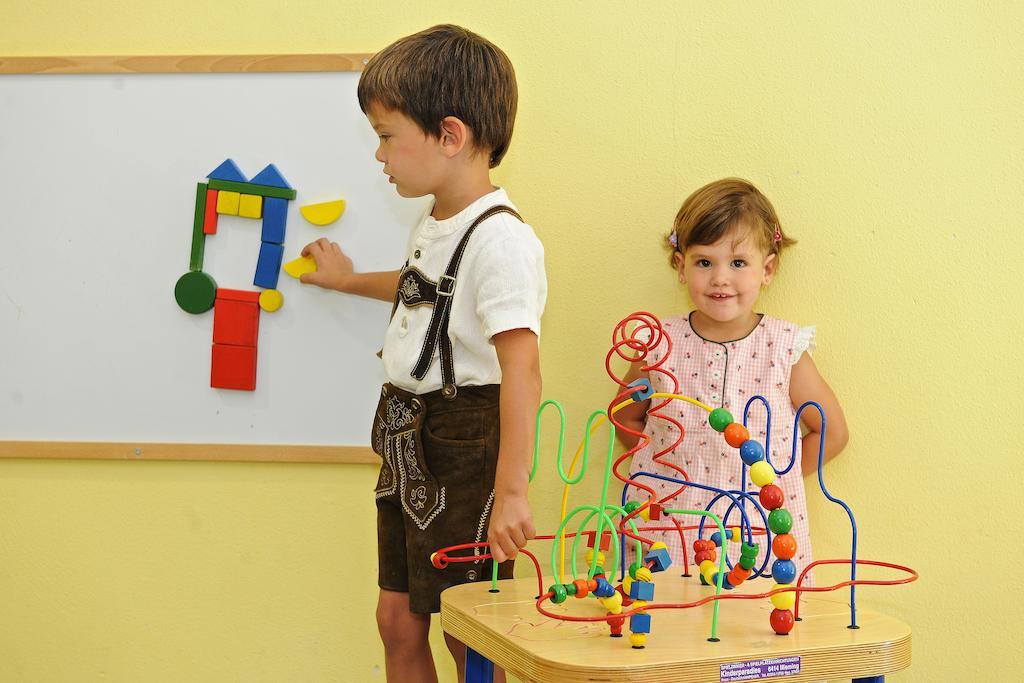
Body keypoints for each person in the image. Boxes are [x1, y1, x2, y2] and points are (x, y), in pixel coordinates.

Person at [298, 25, 546, 683]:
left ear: (449, 134)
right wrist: (349, 281)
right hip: (410, 434)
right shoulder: (438, 219)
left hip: (465, 440)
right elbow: (425, 293)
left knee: (471, 630)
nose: (379, 154)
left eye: (386, 135)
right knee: (397, 619)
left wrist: (511, 490)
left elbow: (522, 367)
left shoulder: (502, 241)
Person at [615, 178, 848, 583]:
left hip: (756, 530)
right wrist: (657, 465)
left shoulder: (784, 349)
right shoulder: (658, 345)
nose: (721, 278)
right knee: (664, 628)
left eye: (738, 263)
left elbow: (832, 432)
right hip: (670, 527)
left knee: (752, 637)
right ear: (680, 266)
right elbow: (624, 416)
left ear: (768, 269)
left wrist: (779, 481)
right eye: (705, 262)